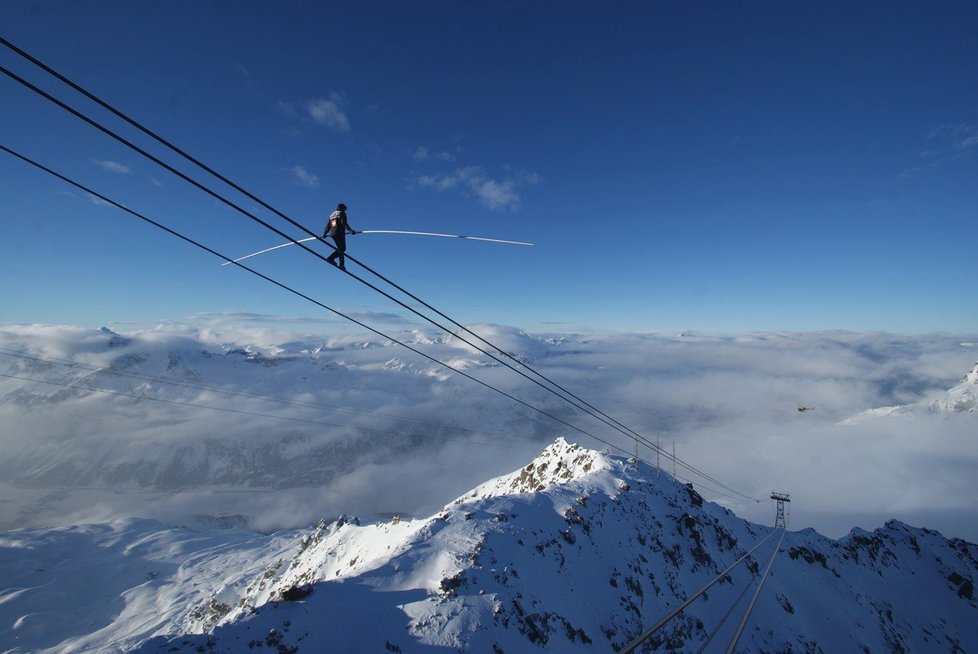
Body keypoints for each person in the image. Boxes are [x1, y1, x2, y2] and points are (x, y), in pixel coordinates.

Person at [323, 202, 357, 270]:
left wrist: (325, 233)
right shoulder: (341, 213)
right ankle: (331, 258)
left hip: (332, 233)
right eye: (344, 209)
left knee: (340, 249)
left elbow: (329, 225)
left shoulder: (332, 215)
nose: (344, 211)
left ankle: (341, 265)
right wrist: (349, 230)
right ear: (342, 209)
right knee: (342, 249)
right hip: (339, 232)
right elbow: (343, 223)